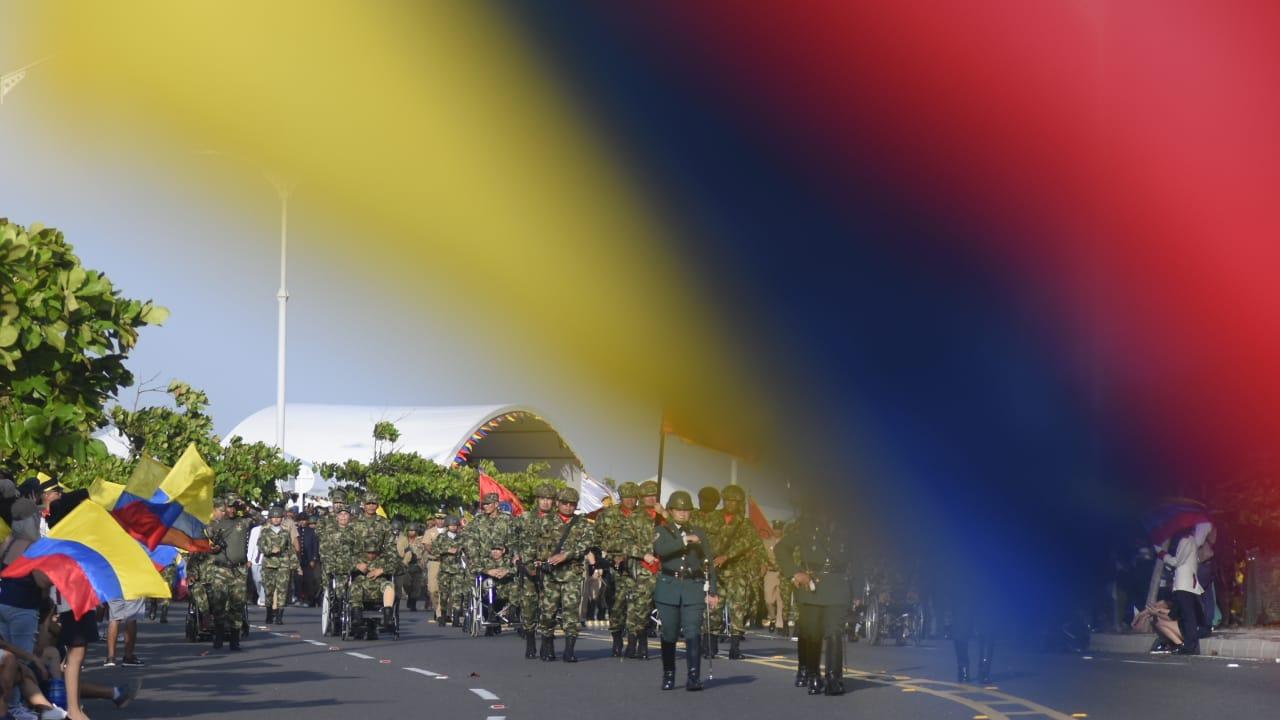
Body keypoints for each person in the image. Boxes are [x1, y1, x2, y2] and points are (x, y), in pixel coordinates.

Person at [775, 502, 852, 696]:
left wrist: (856, 591)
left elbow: (856, 559)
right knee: (812, 633)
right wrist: (794, 573)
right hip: (812, 585)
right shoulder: (805, 528)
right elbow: (781, 549)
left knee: (834, 631)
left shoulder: (847, 528)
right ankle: (813, 675)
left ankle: (834, 679)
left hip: (837, 585)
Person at [653, 491, 720, 691]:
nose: (683, 513)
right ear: (671, 511)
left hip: (692, 586)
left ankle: (693, 677)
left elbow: (708, 562)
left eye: (686, 510)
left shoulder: (699, 533)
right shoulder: (662, 530)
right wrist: (684, 540)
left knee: (693, 632)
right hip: (669, 587)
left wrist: (713, 590)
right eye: (679, 510)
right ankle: (669, 674)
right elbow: (661, 551)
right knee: (669, 633)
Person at [535, 488, 593, 662]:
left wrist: (566, 555)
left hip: (571, 575)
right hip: (550, 574)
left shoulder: (582, 524)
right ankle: (547, 645)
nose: (568, 507)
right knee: (548, 612)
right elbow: (535, 543)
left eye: (572, 504)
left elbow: (586, 544)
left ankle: (569, 650)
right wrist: (537, 560)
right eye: (565, 503)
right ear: (558, 503)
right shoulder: (545, 522)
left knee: (571, 613)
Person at [707, 485, 765, 660]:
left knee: (738, 607)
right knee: (713, 607)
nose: (731, 504)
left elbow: (750, 543)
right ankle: (711, 645)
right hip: (715, 571)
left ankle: (735, 646)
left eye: (735, 501)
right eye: (728, 500)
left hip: (737, 571)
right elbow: (703, 538)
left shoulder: (745, 523)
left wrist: (727, 556)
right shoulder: (711, 518)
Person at [516, 485, 556, 658]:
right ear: (537, 499)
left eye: (549, 499)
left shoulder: (558, 520)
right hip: (528, 569)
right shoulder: (525, 518)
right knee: (529, 607)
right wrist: (517, 557)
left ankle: (548, 642)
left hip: (550, 569)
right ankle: (530, 641)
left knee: (550, 608)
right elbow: (513, 539)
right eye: (543, 498)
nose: (546, 502)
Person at [1162, 526, 1204, 655]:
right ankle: (1190, 645)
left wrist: (1163, 555)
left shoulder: (1185, 540)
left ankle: (1190, 646)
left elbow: (1177, 561)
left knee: (1187, 617)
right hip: (1187, 584)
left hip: (1183, 584)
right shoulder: (1191, 541)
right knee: (1186, 616)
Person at [351, 534, 403, 631]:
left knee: (389, 586)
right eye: (368, 552)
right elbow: (341, 566)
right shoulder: (357, 557)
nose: (371, 555)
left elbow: (401, 567)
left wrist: (382, 570)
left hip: (380, 586)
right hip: (362, 585)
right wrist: (356, 566)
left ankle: (388, 617)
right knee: (355, 586)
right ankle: (356, 616)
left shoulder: (386, 557)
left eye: (374, 552)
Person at [258, 506, 295, 625]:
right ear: (270, 519)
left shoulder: (285, 532)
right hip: (269, 564)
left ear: (282, 519)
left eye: (278, 517)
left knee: (282, 590)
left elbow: (290, 549)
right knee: (268, 590)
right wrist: (270, 550)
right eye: (273, 517)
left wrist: (295, 565)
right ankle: (269, 613)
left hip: (283, 564)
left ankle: (279, 616)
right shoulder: (265, 531)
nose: (276, 519)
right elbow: (260, 546)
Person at [432, 517, 465, 627]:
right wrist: (446, 550)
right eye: (451, 525)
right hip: (445, 569)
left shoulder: (461, 538)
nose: (454, 527)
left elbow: (468, 551)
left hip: (457, 569)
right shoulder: (441, 537)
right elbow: (434, 550)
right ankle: (442, 616)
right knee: (444, 594)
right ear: (447, 526)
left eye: (455, 525)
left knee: (457, 594)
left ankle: (456, 618)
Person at [423, 513, 446, 619]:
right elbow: (427, 546)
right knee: (432, 589)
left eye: (442, 519)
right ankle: (436, 607)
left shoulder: (450, 531)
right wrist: (438, 553)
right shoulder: (429, 532)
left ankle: (442, 612)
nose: (440, 521)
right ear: (435, 520)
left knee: (446, 589)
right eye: (438, 519)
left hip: (447, 562)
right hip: (434, 562)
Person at [297, 514, 320, 607]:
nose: (302, 522)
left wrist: (314, 558)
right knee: (298, 580)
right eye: (300, 520)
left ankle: (310, 599)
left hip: (309, 559)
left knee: (309, 580)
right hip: (299, 559)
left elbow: (315, 546)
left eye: (304, 520)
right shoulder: (296, 531)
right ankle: (299, 598)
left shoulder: (312, 531)